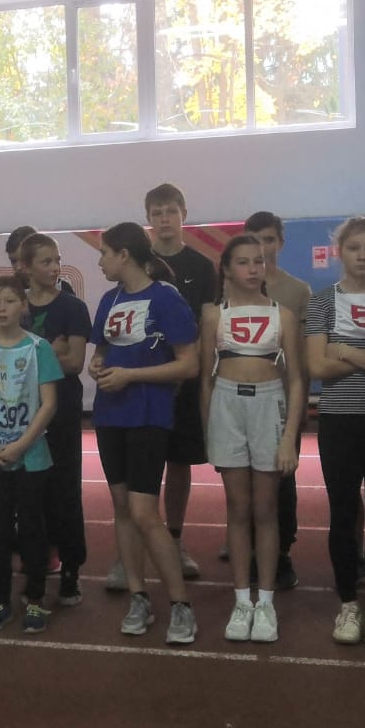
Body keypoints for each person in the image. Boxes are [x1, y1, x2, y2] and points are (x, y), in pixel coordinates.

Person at [90, 221, 200, 645]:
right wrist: (98, 366)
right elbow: (102, 352)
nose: (100, 261)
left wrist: (131, 376)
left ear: (124, 255)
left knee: (144, 513)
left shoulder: (165, 298)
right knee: (121, 507)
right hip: (110, 416)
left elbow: (188, 364)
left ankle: (181, 604)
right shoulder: (110, 300)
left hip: (148, 415)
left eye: (105, 253)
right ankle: (138, 597)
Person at [199, 234, 304, 643]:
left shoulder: (284, 316)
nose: (253, 268)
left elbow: (296, 381)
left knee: (265, 509)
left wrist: (289, 436)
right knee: (238, 508)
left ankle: (266, 601)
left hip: (269, 405)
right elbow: (205, 381)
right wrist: (209, 429)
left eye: (258, 261)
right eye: (243, 262)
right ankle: (242, 599)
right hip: (227, 405)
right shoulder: (213, 315)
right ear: (226, 269)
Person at [306, 216, 365, 648]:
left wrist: (344, 350)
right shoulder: (323, 302)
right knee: (343, 512)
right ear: (339, 252)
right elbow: (317, 366)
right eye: (354, 247)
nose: (363, 255)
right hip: (339, 422)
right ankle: (348, 602)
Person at [0, 275, 62, 633]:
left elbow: (49, 403)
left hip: (32, 454)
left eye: (9, 301)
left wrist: (21, 444)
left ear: (23, 305)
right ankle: (0, 598)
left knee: (32, 526)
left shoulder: (39, 348)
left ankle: (34, 598)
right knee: (0, 528)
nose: (2, 308)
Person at [139, 183, 213, 582]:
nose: (164, 219)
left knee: (179, 462)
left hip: (184, 381)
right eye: (157, 213)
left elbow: (205, 325)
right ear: (148, 219)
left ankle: (175, 539)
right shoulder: (140, 264)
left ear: (183, 213)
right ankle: (135, 547)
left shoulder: (201, 266)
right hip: (145, 382)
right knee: (142, 466)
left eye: (170, 211)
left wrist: (189, 370)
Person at [20, 233, 91, 604]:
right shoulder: (17, 306)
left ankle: (71, 568)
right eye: (45, 261)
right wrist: (51, 351)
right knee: (30, 491)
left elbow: (74, 362)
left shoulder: (72, 307)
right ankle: (35, 564)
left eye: (57, 260)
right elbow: (6, 356)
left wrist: (31, 357)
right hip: (22, 409)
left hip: (62, 407)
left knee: (65, 487)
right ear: (26, 267)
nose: (54, 267)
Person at [241, 211, 310, 591]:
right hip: (238, 402)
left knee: (282, 479)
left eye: (268, 239)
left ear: (280, 242)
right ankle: (249, 546)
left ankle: (282, 551)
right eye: (255, 239)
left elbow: (303, 357)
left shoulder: (297, 292)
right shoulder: (230, 290)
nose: (262, 247)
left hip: (283, 401)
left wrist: (300, 408)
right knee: (244, 478)